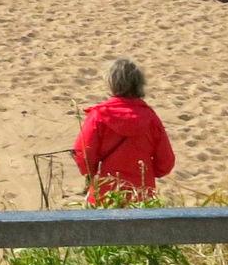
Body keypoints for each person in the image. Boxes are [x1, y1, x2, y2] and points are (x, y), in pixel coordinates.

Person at [72, 58, 175, 203]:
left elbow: (83, 154)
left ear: (112, 83)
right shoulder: (150, 118)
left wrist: (92, 173)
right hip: (141, 195)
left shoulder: (99, 115)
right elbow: (166, 162)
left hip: (105, 192)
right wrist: (149, 173)